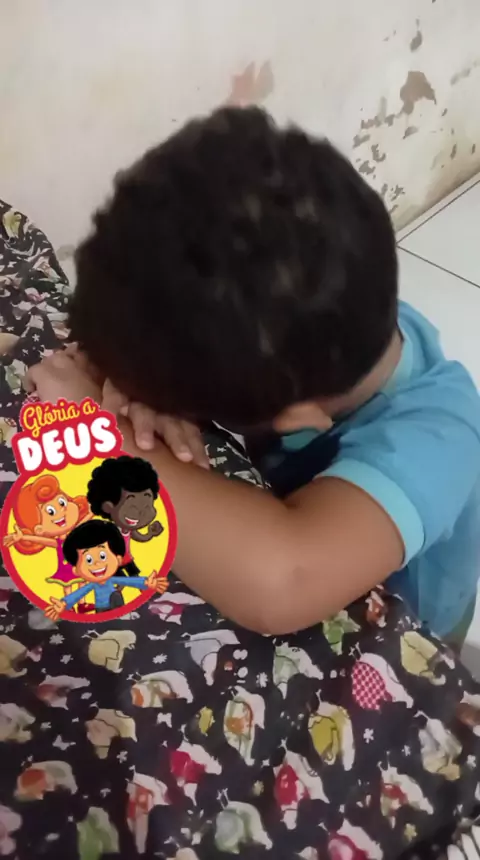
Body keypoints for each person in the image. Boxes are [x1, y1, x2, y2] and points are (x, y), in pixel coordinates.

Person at [28, 106, 480, 644]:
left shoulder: (440, 438)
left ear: (296, 416)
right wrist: (141, 384)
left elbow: (283, 582)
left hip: (410, 624)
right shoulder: (321, 308)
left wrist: (102, 435)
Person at [3, 474, 93, 610]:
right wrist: (23, 537)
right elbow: (42, 540)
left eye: (62, 502)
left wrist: (91, 512)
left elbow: (82, 523)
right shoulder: (58, 542)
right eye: (50, 511)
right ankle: (69, 606)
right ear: (38, 528)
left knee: (82, 583)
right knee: (68, 586)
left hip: (81, 564)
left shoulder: (75, 534)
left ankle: (82, 604)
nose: (61, 512)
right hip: (67, 568)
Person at [45, 519, 167, 619]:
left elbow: (129, 581)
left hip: (116, 604)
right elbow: (78, 594)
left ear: (118, 559)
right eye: (88, 560)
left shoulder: (113, 579)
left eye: (103, 556)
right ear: (76, 570)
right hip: (101, 609)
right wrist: (64, 603)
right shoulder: (92, 584)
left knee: (117, 601)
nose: (97, 563)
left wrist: (146, 583)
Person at [86, 455, 163, 576]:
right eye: (133, 507)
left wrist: (151, 533)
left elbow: (139, 537)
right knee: (119, 580)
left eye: (147, 504)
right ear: (108, 507)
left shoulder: (128, 528)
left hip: (127, 559)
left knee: (135, 577)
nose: (142, 513)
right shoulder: (109, 531)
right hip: (113, 562)